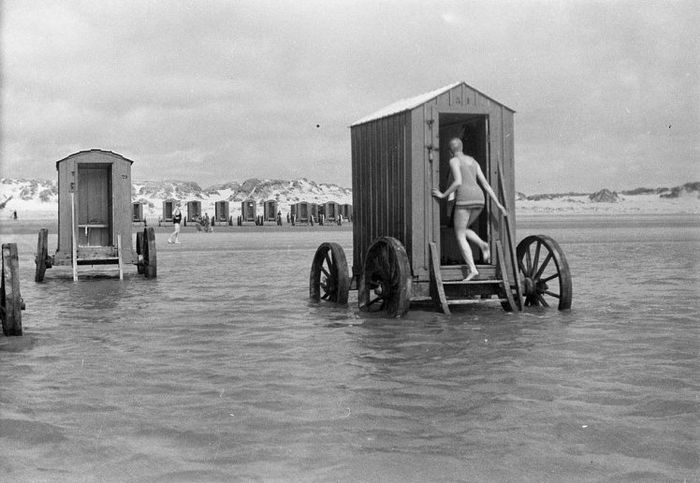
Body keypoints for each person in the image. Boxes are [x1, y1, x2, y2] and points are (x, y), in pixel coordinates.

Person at [432, 137, 506, 281]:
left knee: (459, 235)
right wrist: (498, 204)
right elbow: (485, 184)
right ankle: (483, 244)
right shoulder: (473, 161)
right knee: (463, 229)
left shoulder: (453, 161)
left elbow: (458, 182)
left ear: (450, 151)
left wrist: (443, 195)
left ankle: (473, 269)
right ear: (462, 147)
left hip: (464, 198)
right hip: (480, 198)